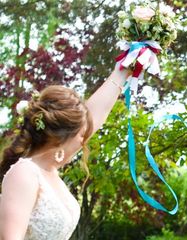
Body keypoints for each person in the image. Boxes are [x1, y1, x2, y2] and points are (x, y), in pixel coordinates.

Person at [0, 64, 128, 240]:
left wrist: (122, 72)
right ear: (62, 138)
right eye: (82, 135)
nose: (83, 142)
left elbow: (96, 114)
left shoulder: (49, 172)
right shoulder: (25, 174)